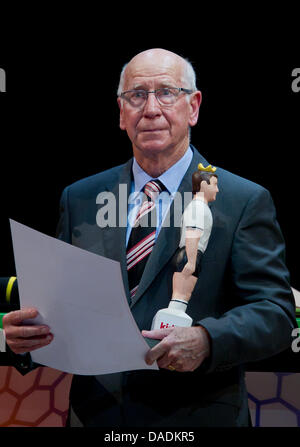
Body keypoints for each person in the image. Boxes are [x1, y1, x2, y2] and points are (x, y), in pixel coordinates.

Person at [2, 48, 296, 427]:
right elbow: (62, 305)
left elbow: (276, 312)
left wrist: (208, 340)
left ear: (194, 107)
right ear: (121, 113)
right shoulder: (80, 198)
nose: (151, 109)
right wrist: (26, 340)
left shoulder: (242, 200)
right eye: (137, 95)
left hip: (196, 416)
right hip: (97, 417)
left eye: (167, 93)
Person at [171, 164, 218, 305]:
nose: (217, 189)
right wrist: (191, 262)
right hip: (189, 255)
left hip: (192, 255)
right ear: (204, 184)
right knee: (179, 297)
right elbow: (192, 233)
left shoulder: (200, 206)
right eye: (214, 185)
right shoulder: (198, 207)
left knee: (183, 299)